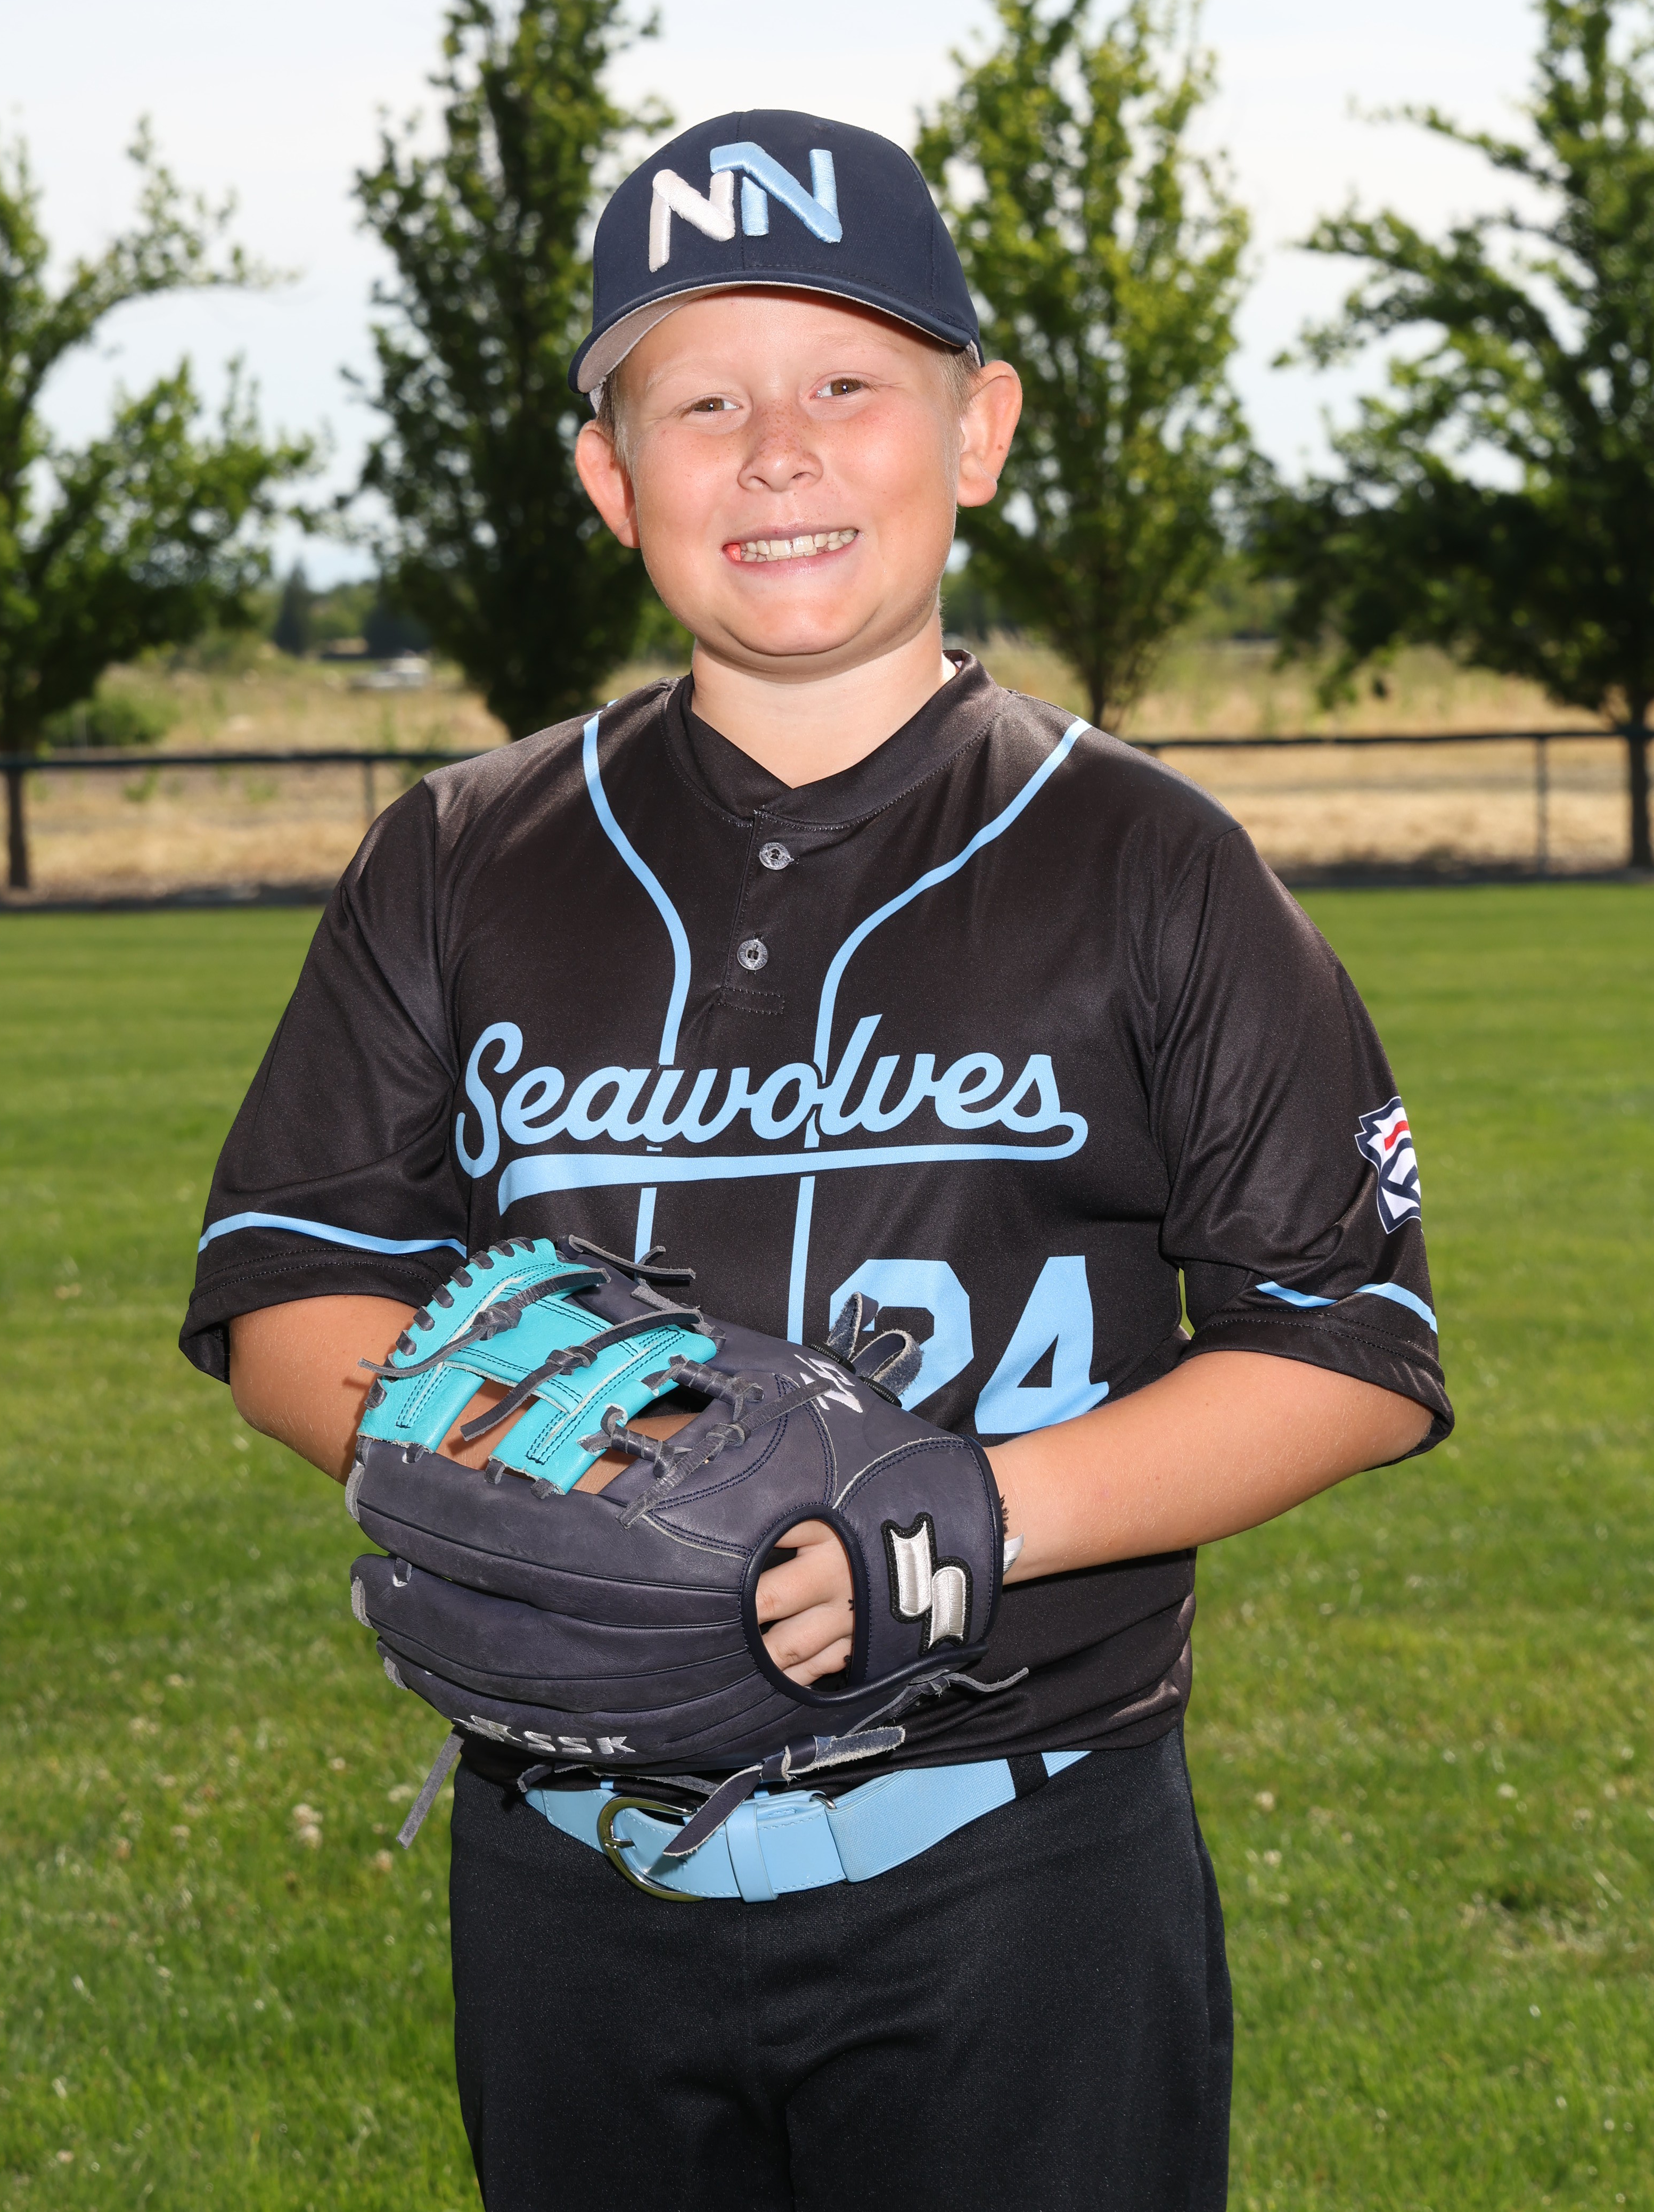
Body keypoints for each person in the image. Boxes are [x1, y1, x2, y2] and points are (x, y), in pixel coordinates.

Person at [181, 110, 1449, 2212]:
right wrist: (566, 1482)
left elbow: (1344, 1344)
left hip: (1018, 1867)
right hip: (573, 1872)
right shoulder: (458, 859)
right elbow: (289, 1288)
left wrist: (977, 1511)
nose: (777, 453)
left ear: (978, 433)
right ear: (611, 478)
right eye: (702, 401)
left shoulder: (1155, 865)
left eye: (849, 382)